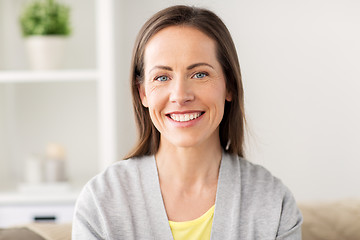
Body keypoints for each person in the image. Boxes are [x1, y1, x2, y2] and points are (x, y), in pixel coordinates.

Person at [72, 5, 303, 240]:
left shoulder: (274, 203)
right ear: (143, 93)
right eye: (162, 77)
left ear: (229, 85)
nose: (181, 95)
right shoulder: (101, 202)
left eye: (200, 74)